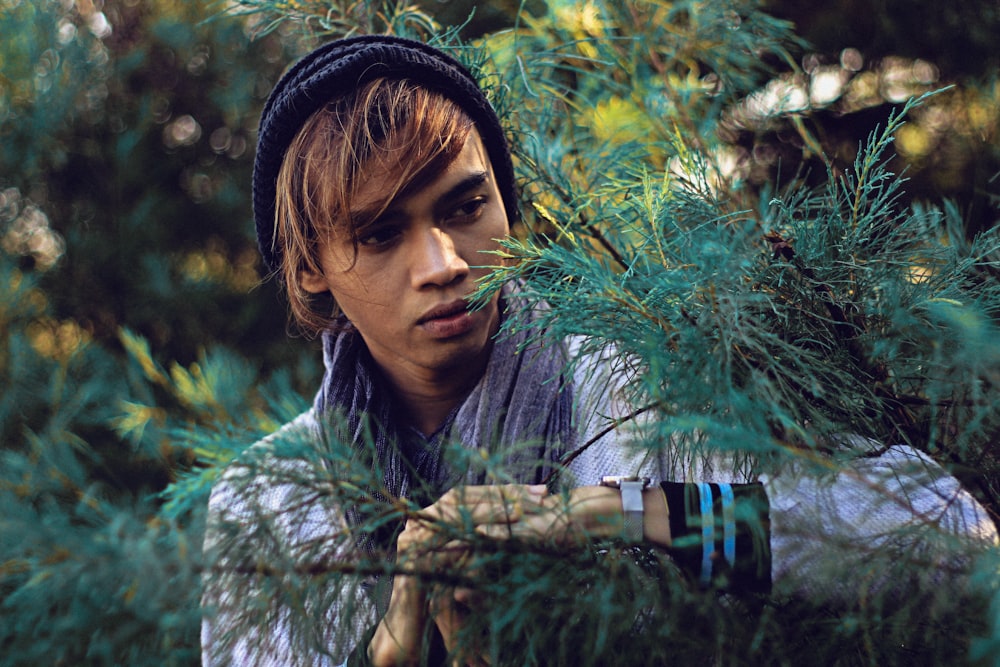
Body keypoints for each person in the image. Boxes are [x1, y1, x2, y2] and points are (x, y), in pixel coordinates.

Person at [201, 35, 998, 666]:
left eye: (467, 204)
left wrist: (625, 516)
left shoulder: (645, 377)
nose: (443, 263)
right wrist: (394, 649)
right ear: (310, 267)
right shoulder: (269, 506)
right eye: (379, 233)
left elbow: (946, 540)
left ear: (507, 203)